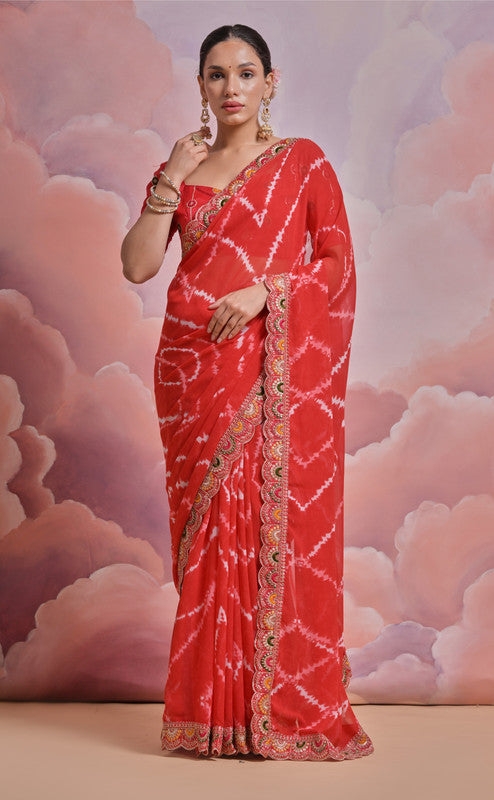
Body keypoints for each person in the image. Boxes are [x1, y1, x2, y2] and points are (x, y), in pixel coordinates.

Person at [121, 23, 374, 762]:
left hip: (265, 366)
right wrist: (170, 177)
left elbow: (335, 264)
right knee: (209, 535)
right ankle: (210, 715)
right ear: (201, 86)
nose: (231, 88)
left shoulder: (302, 162)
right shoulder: (185, 167)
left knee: (263, 523)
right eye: (216, 74)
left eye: (245, 72)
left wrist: (270, 291)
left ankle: (270, 711)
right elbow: (138, 266)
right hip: (190, 369)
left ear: (270, 81)